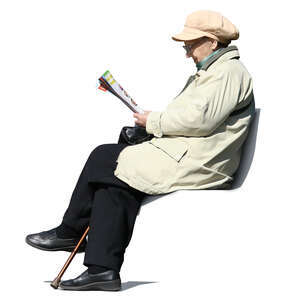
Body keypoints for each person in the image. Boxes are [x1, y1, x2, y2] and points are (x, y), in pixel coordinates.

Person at [25, 9, 255, 291]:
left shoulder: (228, 72)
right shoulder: (214, 72)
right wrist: (148, 128)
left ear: (212, 41)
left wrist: (153, 121)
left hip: (200, 163)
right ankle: (102, 270)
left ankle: (70, 232)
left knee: (104, 157)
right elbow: (194, 116)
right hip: (188, 154)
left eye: (190, 45)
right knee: (117, 181)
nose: (187, 53)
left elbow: (200, 120)